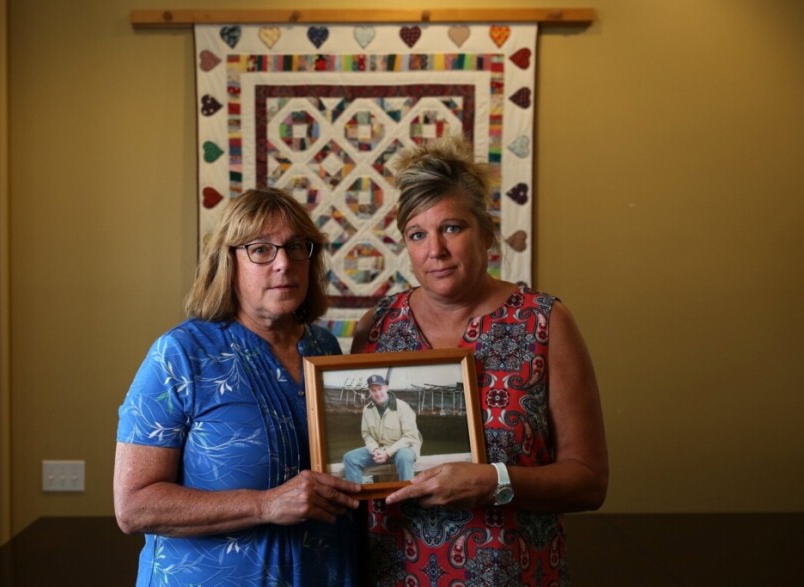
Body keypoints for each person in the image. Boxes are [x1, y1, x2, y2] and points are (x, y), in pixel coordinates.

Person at [351, 135, 609, 585]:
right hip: (393, 573)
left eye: (452, 227)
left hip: (509, 574)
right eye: (418, 234)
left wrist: (494, 481)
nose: (435, 250)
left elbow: (589, 481)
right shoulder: (375, 326)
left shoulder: (544, 322)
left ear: (486, 232)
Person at [114, 188, 362, 587]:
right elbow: (134, 507)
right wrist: (266, 505)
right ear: (228, 263)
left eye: (297, 247)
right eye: (261, 250)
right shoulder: (180, 355)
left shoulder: (324, 348)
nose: (284, 263)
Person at [342, 374, 423, 483]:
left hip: (402, 449)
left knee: (404, 457)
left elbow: (410, 437)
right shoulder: (367, 410)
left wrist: (388, 453)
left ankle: (408, 497)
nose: (378, 393)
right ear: (370, 392)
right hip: (380, 450)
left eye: (380, 389)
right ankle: (358, 498)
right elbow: (367, 435)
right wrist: (375, 450)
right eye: (373, 390)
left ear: (386, 388)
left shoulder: (403, 407)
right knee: (350, 458)